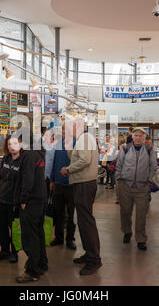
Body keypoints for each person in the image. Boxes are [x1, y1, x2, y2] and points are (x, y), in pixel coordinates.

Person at [60, 118, 101, 276]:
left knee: (86, 222)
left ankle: (94, 260)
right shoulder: (83, 139)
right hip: (82, 183)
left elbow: (84, 160)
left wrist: (68, 170)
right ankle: (89, 254)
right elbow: (77, 158)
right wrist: (69, 149)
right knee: (83, 222)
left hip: (84, 183)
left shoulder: (85, 138)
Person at [14, 128, 48, 283]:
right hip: (41, 198)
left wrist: (23, 199)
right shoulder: (40, 153)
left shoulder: (28, 155)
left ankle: (32, 271)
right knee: (38, 233)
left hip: (31, 200)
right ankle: (42, 263)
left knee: (30, 236)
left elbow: (28, 179)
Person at [115, 127, 158, 250]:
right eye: (136, 135)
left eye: (141, 136)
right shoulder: (125, 148)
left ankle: (141, 239)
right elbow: (119, 164)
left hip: (142, 187)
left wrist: (149, 182)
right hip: (125, 186)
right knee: (125, 211)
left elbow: (153, 167)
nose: (138, 138)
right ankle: (127, 232)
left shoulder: (149, 150)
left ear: (144, 138)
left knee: (141, 215)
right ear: (132, 137)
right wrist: (119, 180)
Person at [0, 136, 22, 263]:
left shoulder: (23, 161)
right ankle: (4, 250)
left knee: (14, 227)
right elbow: (0, 179)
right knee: (1, 226)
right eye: (9, 144)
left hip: (14, 201)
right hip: (1, 199)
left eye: (14, 143)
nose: (11, 146)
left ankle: (14, 253)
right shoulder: (6, 158)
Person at [49, 122, 76, 250]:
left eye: (67, 128)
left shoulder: (77, 143)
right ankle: (58, 237)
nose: (64, 130)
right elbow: (54, 162)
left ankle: (70, 239)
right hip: (58, 184)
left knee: (71, 215)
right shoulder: (58, 143)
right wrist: (52, 180)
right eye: (63, 128)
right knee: (58, 212)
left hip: (72, 184)